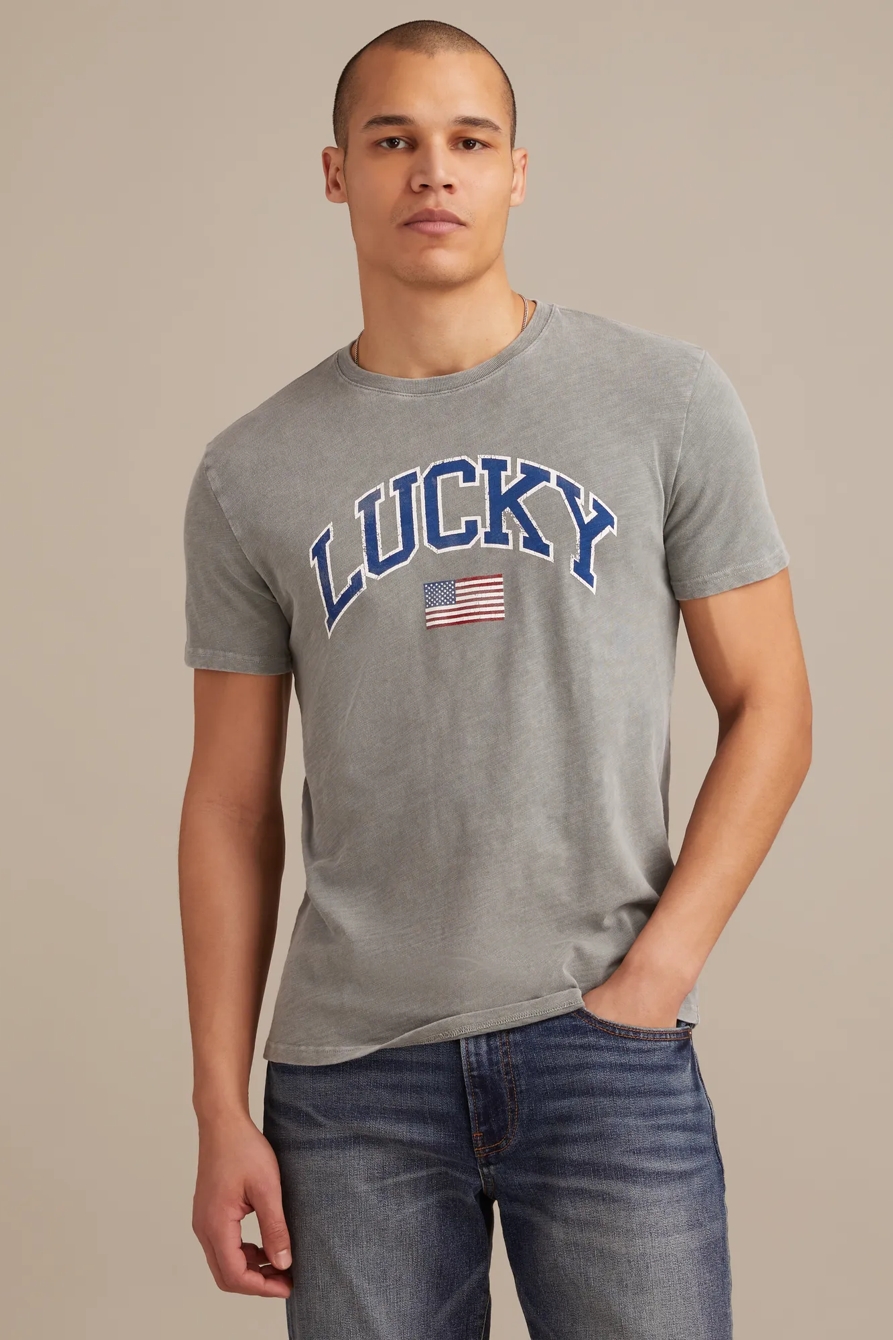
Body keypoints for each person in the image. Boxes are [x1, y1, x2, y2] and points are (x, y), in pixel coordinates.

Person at [178, 18, 812, 1339]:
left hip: (604, 1049)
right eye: (392, 140)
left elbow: (772, 708)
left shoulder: (663, 401)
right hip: (350, 1086)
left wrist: (653, 980)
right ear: (336, 172)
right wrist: (218, 1107)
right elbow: (229, 805)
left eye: (468, 141)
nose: (433, 171)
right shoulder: (251, 470)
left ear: (516, 171)